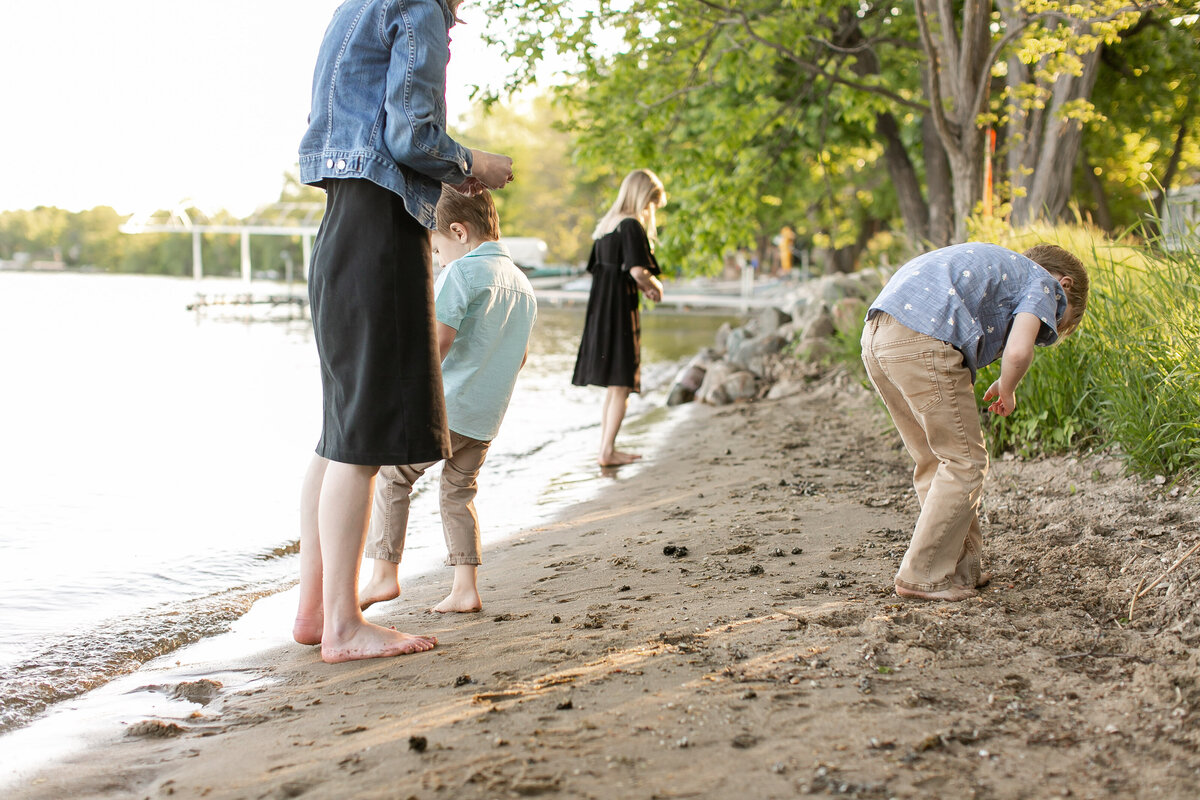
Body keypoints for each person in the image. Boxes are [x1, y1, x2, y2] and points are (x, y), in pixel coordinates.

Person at [292, 0, 515, 663]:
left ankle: (315, 610)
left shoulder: (353, 7)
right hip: (381, 230)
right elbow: (412, 136)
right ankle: (342, 626)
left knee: (340, 433)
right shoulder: (415, 7)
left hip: (341, 224)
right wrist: (474, 162)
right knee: (359, 439)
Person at [860, 242, 1089, 602]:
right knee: (966, 461)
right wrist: (1008, 388)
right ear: (1066, 284)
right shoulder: (1045, 284)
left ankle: (959, 568)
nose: (1050, 329)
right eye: (1061, 322)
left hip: (877, 336)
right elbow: (1017, 350)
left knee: (936, 460)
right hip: (924, 340)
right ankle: (921, 574)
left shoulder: (1001, 267)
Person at [358, 185, 537, 615]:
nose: (437, 260)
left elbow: (438, 339)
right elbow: (522, 356)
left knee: (393, 476)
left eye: (436, 249)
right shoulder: (522, 283)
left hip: (448, 406)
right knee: (458, 494)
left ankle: (384, 575)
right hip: (486, 416)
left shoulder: (462, 274)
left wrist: (404, 387)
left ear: (458, 232)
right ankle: (465, 589)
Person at [571, 169, 667, 467]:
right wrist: (655, 287)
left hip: (600, 310)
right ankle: (607, 451)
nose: (651, 212)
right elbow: (637, 271)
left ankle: (606, 449)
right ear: (644, 198)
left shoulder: (605, 227)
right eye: (652, 204)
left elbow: (605, 269)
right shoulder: (631, 225)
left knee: (615, 385)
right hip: (619, 311)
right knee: (622, 383)